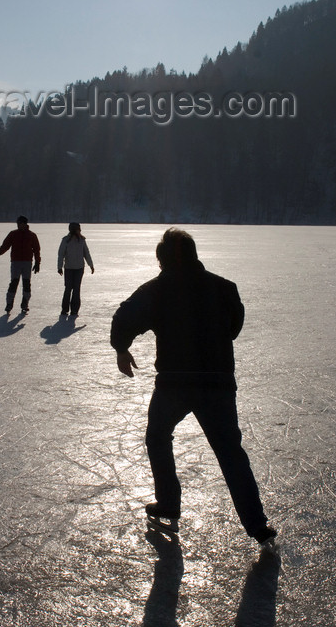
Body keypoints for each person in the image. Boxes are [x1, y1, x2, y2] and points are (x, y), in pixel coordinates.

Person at [110, 227, 276, 545]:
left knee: (157, 437)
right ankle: (258, 526)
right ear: (194, 254)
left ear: (162, 262)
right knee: (230, 453)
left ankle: (169, 505)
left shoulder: (157, 290)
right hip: (217, 383)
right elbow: (234, 326)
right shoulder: (225, 288)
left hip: (174, 383)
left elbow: (124, 316)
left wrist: (121, 347)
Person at [0, 216, 41, 314]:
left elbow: (36, 250)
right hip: (15, 262)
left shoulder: (32, 235)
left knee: (26, 284)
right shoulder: (13, 234)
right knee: (14, 283)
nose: (19, 225)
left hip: (27, 263)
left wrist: (37, 263)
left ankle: (25, 304)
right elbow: (6, 245)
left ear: (25, 224)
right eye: (18, 224)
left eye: (21, 223)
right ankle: (9, 304)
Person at [57, 222, 94, 317]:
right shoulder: (65, 240)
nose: (80, 230)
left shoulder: (82, 240)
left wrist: (91, 265)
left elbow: (86, 253)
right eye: (78, 229)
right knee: (68, 289)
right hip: (69, 268)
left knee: (76, 289)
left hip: (79, 269)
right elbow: (61, 254)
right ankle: (65, 309)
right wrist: (59, 267)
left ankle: (74, 310)